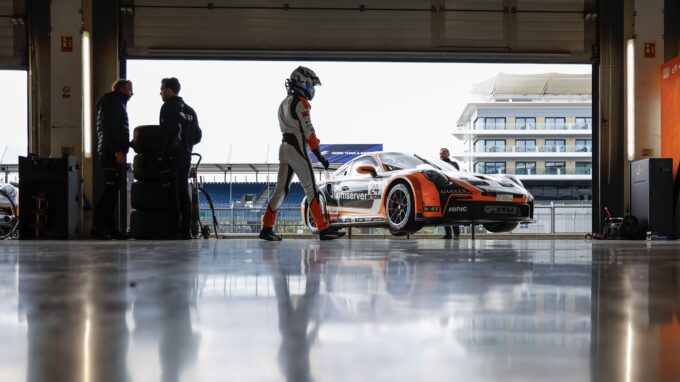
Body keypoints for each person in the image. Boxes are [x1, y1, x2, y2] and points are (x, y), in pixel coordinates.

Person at [259, 66, 343, 241]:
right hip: (297, 148)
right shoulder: (301, 103)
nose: (312, 88)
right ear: (303, 82)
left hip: (283, 148)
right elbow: (309, 132)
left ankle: (266, 227)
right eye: (311, 83)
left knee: (279, 191)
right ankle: (323, 229)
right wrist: (319, 156)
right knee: (311, 189)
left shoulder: (282, 103)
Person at [158, 77, 202, 239]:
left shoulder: (168, 107)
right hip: (186, 156)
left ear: (170, 89)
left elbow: (165, 133)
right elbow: (198, 136)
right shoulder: (190, 110)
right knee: (184, 193)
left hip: (171, 156)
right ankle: (186, 231)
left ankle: (174, 231)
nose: (160, 92)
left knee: (173, 194)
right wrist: (187, 143)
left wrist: (161, 156)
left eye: (162, 89)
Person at [91, 79, 133, 240]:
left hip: (113, 152)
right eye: (130, 89)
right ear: (123, 88)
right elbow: (108, 127)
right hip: (111, 153)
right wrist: (117, 150)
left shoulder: (116, 103)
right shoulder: (112, 102)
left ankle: (110, 228)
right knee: (109, 192)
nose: (132, 93)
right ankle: (98, 227)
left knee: (113, 193)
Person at [439, 147, 461, 240]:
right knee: (444, 212)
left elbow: (454, 175)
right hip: (441, 190)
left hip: (452, 190)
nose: (441, 155)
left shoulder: (453, 164)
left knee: (453, 211)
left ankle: (456, 233)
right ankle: (448, 234)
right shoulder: (437, 164)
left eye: (444, 153)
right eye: (440, 153)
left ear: (448, 154)